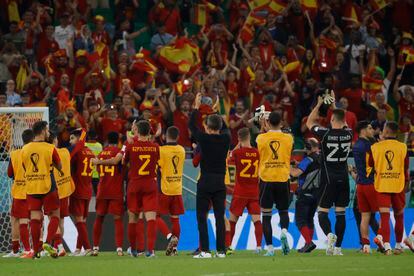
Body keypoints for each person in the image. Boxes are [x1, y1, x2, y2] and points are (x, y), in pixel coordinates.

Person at [306, 93, 353, 256]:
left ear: (332, 120)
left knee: (322, 212)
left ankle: (329, 235)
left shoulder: (325, 134)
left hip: (328, 179)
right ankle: (338, 248)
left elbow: (309, 122)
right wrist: (334, 105)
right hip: (344, 179)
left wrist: (319, 105)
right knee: (340, 213)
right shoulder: (349, 133)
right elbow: (342, 120)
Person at [189, 93, 231, 259]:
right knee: (220, 217)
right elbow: (226, 128)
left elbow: (192, 126)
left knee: (201, 217)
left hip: (205, 182)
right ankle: (221, 251)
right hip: (220, 183)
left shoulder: (204, 139)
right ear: (219, 127)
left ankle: (205, 251)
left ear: (207, 126)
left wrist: (196, 108)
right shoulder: (226, 139)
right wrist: (217, 111)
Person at [21, 121, 62, 258]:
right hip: (47, 185)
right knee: (55, 214)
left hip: (32, 186)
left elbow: (24, 166)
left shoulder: (25, 149)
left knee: (35, 218)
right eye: (47, 130)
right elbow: (60, 166)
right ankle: (48, 243)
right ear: (44, 130)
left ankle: (36, 249)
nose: (48, 132)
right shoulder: (50, 148)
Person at [256, 111, 294, 256]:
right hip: (283, 178)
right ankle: (284, 231)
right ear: (282, 123)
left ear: (268, 123)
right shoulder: (289, 138)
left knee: (266, 214)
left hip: (266, 179)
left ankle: (270, 248)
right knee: (283, 210)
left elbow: (262, 140)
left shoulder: (261, 138)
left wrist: (263, 126)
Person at [369, 121, 409, 255]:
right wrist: (407, 183)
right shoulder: (403, 147)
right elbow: (406, 168)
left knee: (384, 217)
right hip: (398, 185)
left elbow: (370, 166)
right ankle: (398, 245)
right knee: (399, 216)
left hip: (382, 185)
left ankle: (387, 246)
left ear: (386, 132)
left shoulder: (375, 147)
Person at [124, 120, 159, 258]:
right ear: (150, 131)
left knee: (133, 219)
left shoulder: (131, 147)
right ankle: (150, 251)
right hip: (150, 184)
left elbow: (125, 162)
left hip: (134, 185)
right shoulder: (155, 147)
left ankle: (134, 250)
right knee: (151, 219)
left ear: (137, 131)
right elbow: (156, 161)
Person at [228, 128, 262, 253]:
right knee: (257, 220)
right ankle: (258, 247)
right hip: (254, 192)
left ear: (239, 138)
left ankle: (229, 247)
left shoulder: (237, 153)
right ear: (250, 137)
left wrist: (238, 145)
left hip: (240, 192)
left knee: (232, 221)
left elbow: (229, 161)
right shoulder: (257, 153)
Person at [90, 132, 124, 257]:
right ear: (118, 140)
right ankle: (119, 248)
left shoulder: (101, 154)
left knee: (99, 218)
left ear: (107, 140)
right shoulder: (119, 152)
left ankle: (95, 248)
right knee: (117, 219)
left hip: (102, 189)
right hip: (115, 189)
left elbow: (98, 170)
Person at [156, 126, 186, 256]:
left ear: (164, 136)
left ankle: (169, 237)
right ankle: (174, 249)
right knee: (175, 219)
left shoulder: (161, 150)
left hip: (164, 188)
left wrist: (157, 137)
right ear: (178, 137)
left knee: (155, 216)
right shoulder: (182, 150)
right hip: (177, 188)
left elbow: (158, 165)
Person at [5, 129, 34, 258]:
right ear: (33, 139)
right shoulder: (34, 153)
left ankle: (26, 249)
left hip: (19, 191)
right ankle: (28, 248)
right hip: (34, 190)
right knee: (33, 219)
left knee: (17, 220)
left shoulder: (15, 154)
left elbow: (10, 173)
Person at [352, 121, 378, 254]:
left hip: (360, 185)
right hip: (372, 184)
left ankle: (366, 246)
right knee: (383, 214)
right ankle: (385, 243)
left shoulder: (356, 146)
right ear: (362, 130)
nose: (372, 130)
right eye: (369, 128)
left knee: (365, 216)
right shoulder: (371, 146)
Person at [291, 138, 320, 253]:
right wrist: (299, 165)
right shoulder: (320, 158)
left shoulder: (307, 159)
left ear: (309, 147)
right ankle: (308, 244)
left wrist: (283, 165)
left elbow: (295, 173)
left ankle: (308, 242)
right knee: (309, 220)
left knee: (300, 220)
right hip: (316, 194)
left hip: (304, 193)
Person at [69, 129, 95, 256]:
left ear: (79, 139)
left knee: (79, 221)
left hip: (78, 189)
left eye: (72, 138)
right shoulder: (90, 152)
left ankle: (88, 248)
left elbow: (69, 160)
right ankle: (78, 249)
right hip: (88, 189)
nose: (70, 141)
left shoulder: (77, 151)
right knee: (82, 222)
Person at [49, 132, 75, 257]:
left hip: (53, 191)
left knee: (52, 220)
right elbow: (79, 146)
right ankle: (58, 247)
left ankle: (58, 246)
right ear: (55, 141)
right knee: (61, 221)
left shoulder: (47, 154)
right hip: (65, 192)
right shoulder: (65, 152)